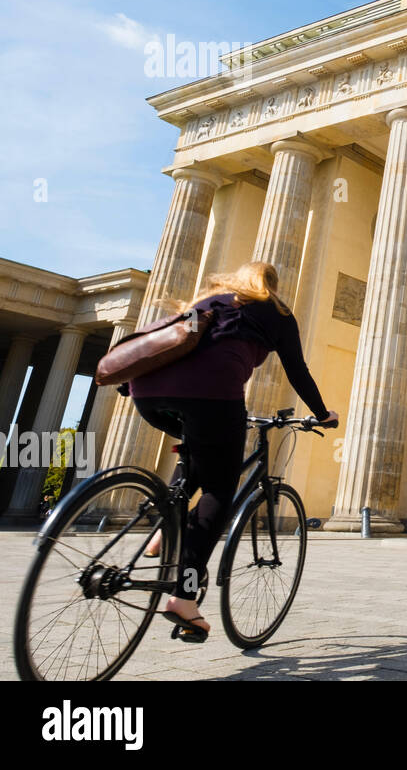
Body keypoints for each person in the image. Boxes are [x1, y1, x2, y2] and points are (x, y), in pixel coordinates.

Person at [129, 261, 337, 642]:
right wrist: (323, 414)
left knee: (199, 451)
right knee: (219, 492)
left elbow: (172, 344)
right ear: (271, 285)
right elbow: (297, 370)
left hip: (146, 390)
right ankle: (184, 599)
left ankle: (166, 525)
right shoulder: (277, 312)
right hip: (210, 394)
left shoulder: (212, 301)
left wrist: (140, 386)